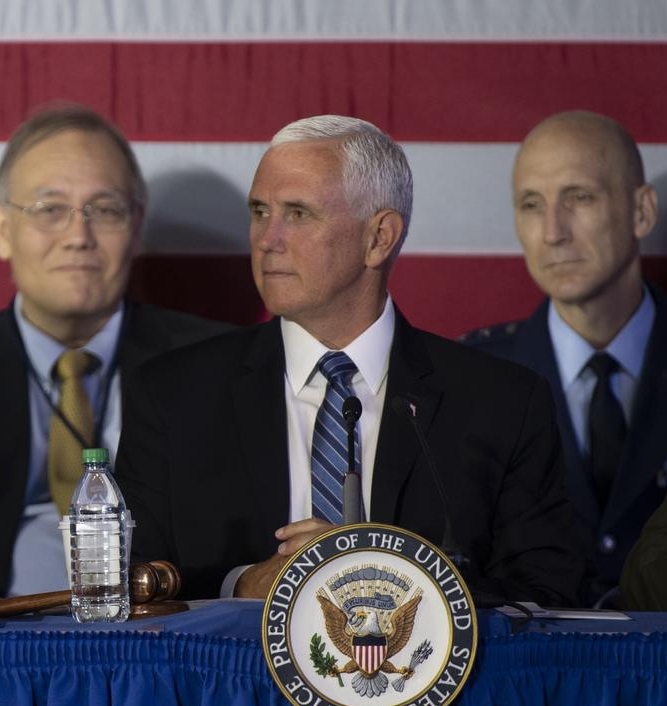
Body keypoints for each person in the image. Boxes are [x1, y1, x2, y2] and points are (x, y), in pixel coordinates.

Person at [115, 115, 583, 604]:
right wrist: (242, 585)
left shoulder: (502, 403)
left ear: (379, 237)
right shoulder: (173, 395)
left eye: (297, 213)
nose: (267, 239)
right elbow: (130, 587)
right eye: (259, 211)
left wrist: (385, 573)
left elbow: (548, 596)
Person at [0, 105, 231, 599]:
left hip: (166, 637)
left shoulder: (216, 364)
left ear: (136, 227)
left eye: (104, 210)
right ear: (2, 230)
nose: (79, 237)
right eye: (50, 209)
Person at [465, 111, 667, 607]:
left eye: (579, 197)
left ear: (642, 211)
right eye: (532, 204)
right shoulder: (471, 378)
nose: (553, 231)